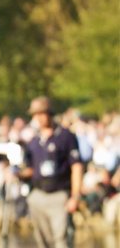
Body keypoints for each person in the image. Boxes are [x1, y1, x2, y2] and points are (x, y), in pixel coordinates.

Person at [18, 96, 83, 248]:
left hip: (59, 195)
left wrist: (75, 196)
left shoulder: (66, 136)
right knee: (43, 242)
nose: (38, 118)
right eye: (35, 114)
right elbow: (30, 169)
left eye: (41, 113)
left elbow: (77, 167)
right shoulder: (34, 141)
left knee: (61, 241)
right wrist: (16, 172)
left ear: (50, 113)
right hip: (38, 195)